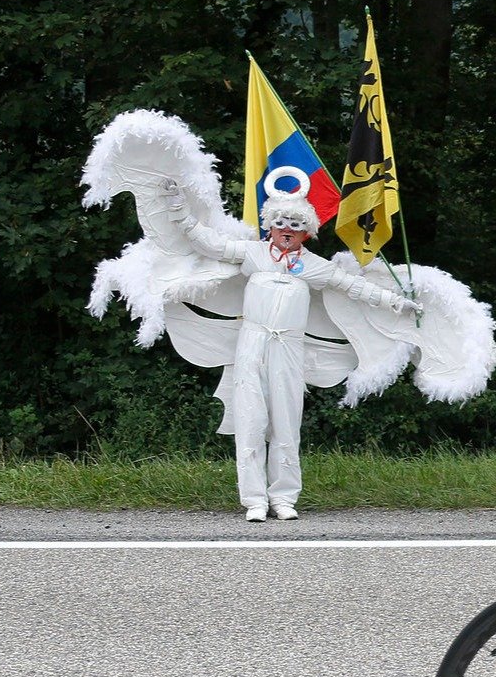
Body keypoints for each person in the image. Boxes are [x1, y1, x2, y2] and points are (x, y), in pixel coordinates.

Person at [162, 169, 420, 522]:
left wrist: (397, 303)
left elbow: (355, 287)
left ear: (306, 232)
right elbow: (206, 241)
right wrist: (179, 209)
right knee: (251, 419)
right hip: (252, 343)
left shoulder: (315, 267)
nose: (287, 229)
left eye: (296, 225)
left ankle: (284, 498)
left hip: (289, 349)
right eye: (281, 222)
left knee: (286, 422)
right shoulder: (252, 254)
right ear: (270, 225)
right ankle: (254, 499)